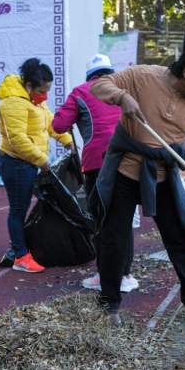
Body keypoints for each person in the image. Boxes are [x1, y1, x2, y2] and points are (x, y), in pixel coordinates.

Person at [90, 41, 185, 327]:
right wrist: (121, 97)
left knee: (182, 239)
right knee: (113, 238)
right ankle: (109, 305)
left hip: (165, 174)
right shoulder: (143, 76)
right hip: (126, 170)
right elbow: (100, 85)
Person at [51, 54, 139, 293]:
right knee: (124, 218)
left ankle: (105, 275)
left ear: (90, 76)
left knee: (102, 220)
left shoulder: (81, 91)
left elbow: (58, 126)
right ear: (109, 72)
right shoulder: (123, 88)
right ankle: (126, 275)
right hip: (131, 159)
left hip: (98, 163)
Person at [0, 58, 73, 273]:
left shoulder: (34, 101)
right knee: (18, 209)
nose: (45, 95)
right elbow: (17, 140)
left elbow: (50, 123)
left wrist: (67, 141)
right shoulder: (13, 103)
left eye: (47, 90)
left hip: (28, 162)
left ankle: (17, 248)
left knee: (22, 207)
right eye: (42, 90)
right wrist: (43, 161)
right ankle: (20, 256)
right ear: (29, 85)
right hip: (16, 163)